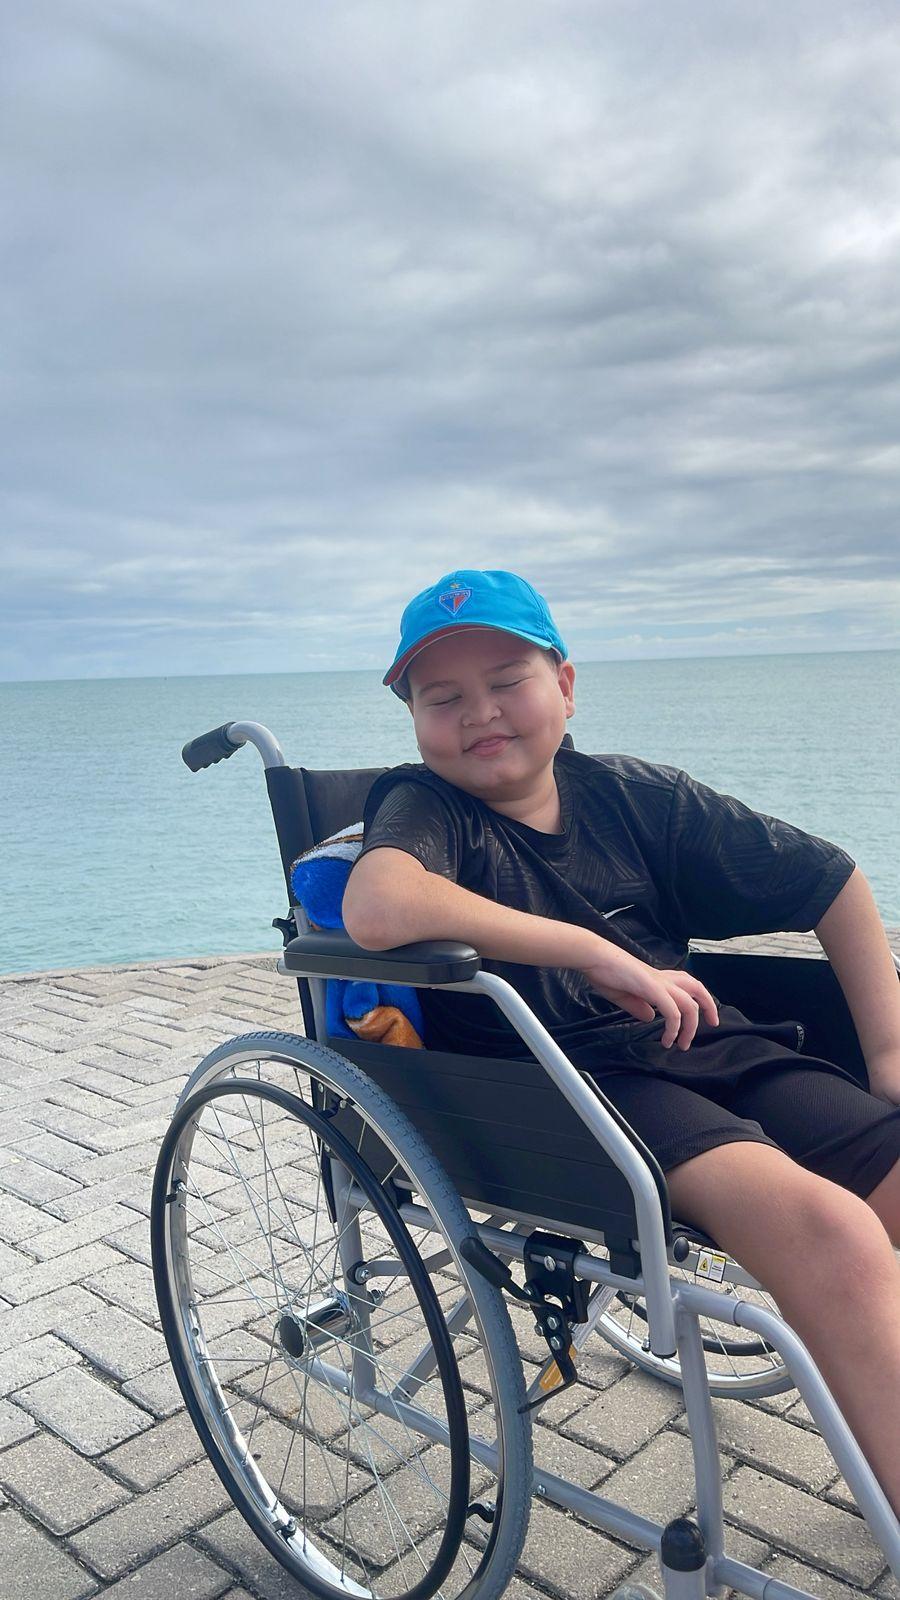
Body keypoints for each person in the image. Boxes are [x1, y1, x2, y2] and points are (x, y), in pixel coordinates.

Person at [342, 567, 900, 1515]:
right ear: (414, 719)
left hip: (706, 1042)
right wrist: (591, 950)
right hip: (566, 1086)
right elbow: (378, 902)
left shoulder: (642, 799)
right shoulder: (426, 808)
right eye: (444, 698)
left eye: (507, 680)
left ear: (565, 683)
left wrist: (886, 1055)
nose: (479, 712)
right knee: (833, 1232)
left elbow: (832, 880)